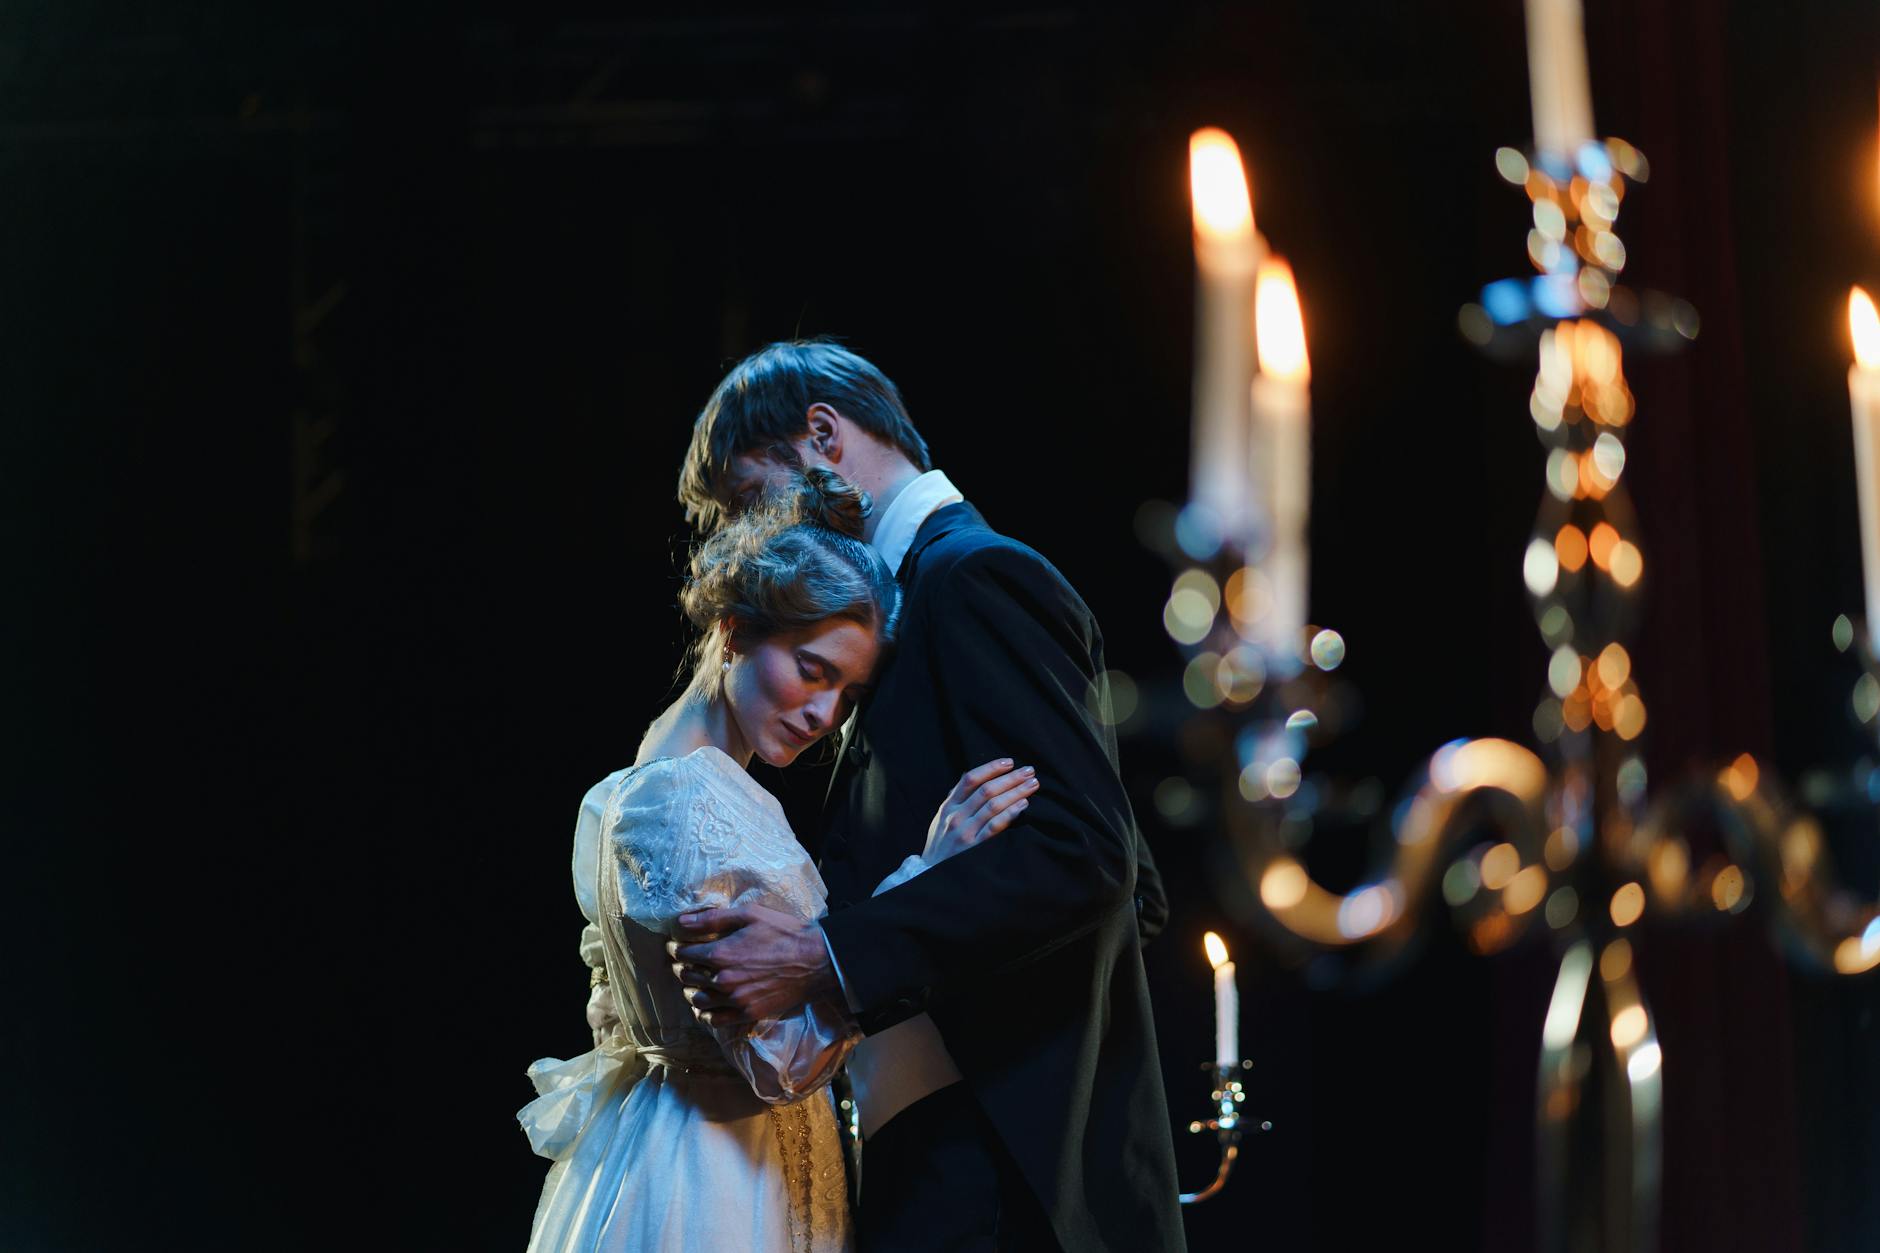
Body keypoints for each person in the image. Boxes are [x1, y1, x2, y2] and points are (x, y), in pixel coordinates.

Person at [668, 341, 1185, 1252]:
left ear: (822, 434)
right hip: (948, 1156)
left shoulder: (971, 577)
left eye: (757, 499)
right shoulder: (894, 612)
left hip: (1000, 1164)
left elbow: (1096, 857)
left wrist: (830, 954)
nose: (767, 538)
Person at [518, 467, 1037, 1252]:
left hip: (699, 1150)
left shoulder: (643, 782)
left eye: (847, 694)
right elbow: (780, 1063)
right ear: (734, 631)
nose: (824, 713)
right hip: (718, 1180)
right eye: (811, 668)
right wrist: (925, 878)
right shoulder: (686, 804)